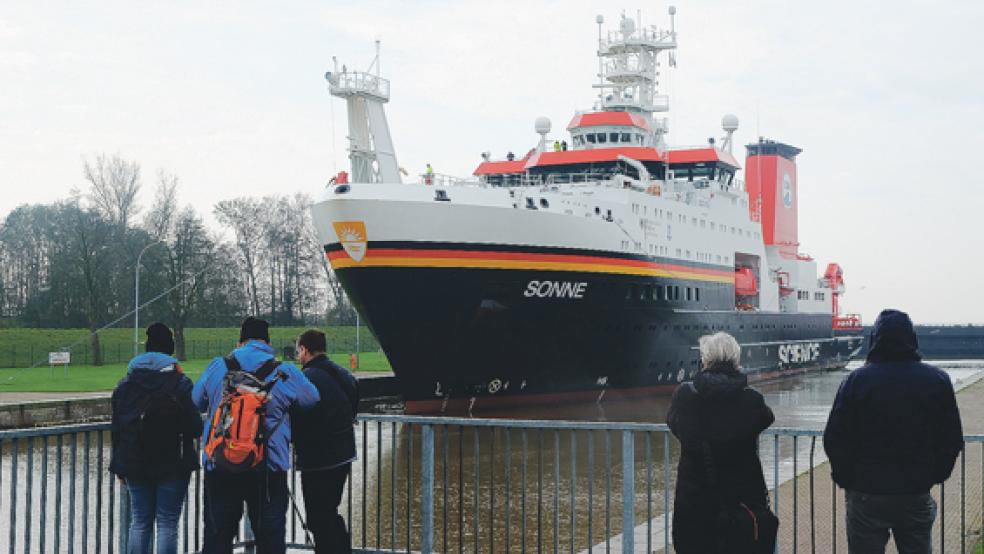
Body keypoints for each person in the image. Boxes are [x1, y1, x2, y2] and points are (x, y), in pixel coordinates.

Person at [824, 309, 963, 554]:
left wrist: (846, 479)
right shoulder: (938, 380)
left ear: (875, 339)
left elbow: (835, 437)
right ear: (912, 339)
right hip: (915, 489)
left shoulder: (857, 381)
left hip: (866, 491)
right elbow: (951, 438)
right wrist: (935, 475)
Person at [193, 317, 319, 554]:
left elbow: (196, 400)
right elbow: (311, 399)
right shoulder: (284, 371)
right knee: (270, 538)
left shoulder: (218, 366)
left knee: (217, 536)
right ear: (268, 343)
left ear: (239, 343)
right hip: (268, 465)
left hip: (220, 462)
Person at [667, 332, 776, 553]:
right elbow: (766, 418)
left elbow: (674, 423)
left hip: (693, 506)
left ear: (704, 360)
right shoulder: (751, 399)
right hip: (741, 505)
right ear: (737, 360)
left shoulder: (685, 396)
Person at [110, 323, 201, 554]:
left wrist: (119, 466)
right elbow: (195, 427)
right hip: (173, 462)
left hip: (134, 461)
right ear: (170, 350)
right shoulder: (180, 383)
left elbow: (118, 428)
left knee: (140, 521)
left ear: (147, 348)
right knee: (167, 522)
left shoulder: (125, 385)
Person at [292, 329, 360, 553]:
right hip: (344, 454)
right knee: (329, 512)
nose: (298, 355)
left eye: (298, 350)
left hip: (318, 458)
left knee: (318, 518)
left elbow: (298, 413)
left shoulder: (306, 378)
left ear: (305, 349)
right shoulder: (342, 373)